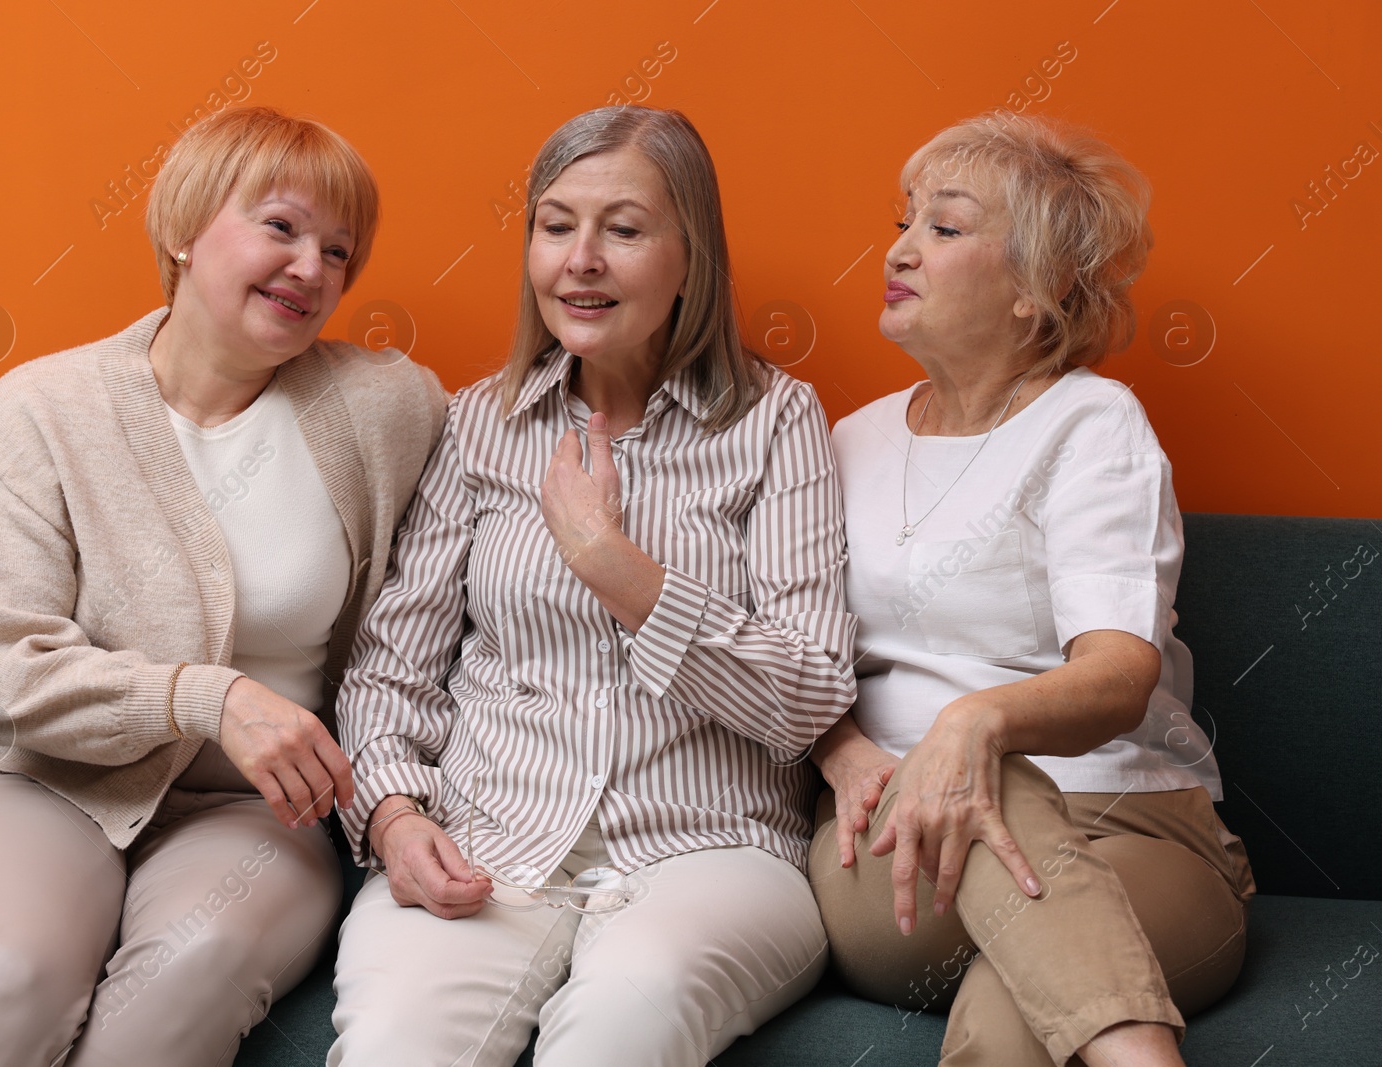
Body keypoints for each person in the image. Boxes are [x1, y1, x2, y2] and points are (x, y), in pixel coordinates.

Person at [0, 106, 446, 1067]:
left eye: (339, 250)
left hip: (257, 812)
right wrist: (207, 695)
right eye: (280, 227)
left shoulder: (386, 406)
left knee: (191, 966)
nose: (312, 268)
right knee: (13, 974)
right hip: (40, 784)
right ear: (183, 231)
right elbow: (3, 663)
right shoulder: (44, 407)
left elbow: (531, 435)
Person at [325, 104, 857, 1066]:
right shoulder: (478, 421)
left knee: (622, 1024)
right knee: (394, 1044)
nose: (581, 259)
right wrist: (396, 817)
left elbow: (808, 694)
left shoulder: (779, 421)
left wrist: (615, 567)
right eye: (556, 224)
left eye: (623, 229)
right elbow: (388, 675)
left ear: (692, 256)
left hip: (710, 847)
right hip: (487, 834)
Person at [808, 112, 1255, 1066]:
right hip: (898, 852)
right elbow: (783, 657)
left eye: (947, 227)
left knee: (1017, 1007)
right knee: (971, 762)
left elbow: (1118, 676)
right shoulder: (842, 442)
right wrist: (848, 748)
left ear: (1035, 292)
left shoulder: (1092, 423)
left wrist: (977, 721)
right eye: (904, 222)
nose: (901, 249)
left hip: (1134, 827)